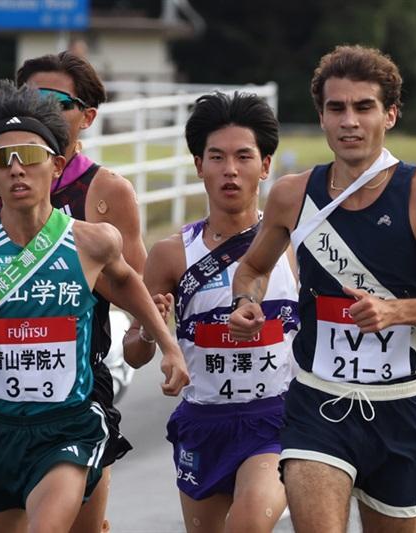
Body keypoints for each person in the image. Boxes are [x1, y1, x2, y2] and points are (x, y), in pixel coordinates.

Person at [0, 81, 188, 533]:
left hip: (67, 426)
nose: (16, 170)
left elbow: (129, 283)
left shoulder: (93, 241)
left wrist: (167, 344)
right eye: (1, 159)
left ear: (55, 166)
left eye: (29, 157)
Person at [228, 44, 416, 533]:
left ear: (389, 114)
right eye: (336, 108)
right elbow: (252, 269)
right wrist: (247, 301)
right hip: (317, 403)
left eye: (364, 107)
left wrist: (397, 312)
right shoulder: (292, 194)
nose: (349, 121)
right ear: (322, 117)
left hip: (402, 409)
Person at [0, 50, 147, 532]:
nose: (40, 108)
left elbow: (139, 289)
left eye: (55, 99)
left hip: (81, 382)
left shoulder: (107, 191)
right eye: (30, 97)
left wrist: (153, 339)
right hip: (2, 385)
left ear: (87, 117)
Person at [122, 91, 299, 533]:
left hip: (276, 419)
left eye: (244, 156)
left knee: (248, 524)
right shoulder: (170, 256)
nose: (231, 170)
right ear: (199, 165)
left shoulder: (295, 246)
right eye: (216, 157)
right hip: (204, 421)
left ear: (265, 165)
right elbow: (132, 353)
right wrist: (150, 330)